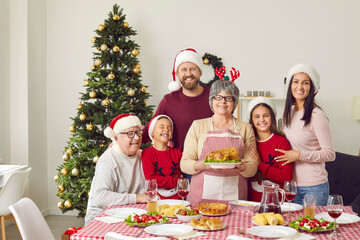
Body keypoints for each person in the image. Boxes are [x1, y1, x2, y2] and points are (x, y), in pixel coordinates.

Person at [180, 79, 259, 204]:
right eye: (218, 97)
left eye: (228, 98)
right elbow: (184, 164)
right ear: (212, 100)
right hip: (200, 199)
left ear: (235, 102)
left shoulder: (245, 128)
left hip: (236, 199)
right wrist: (201, 165)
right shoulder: (198, 125)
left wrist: (243, 167)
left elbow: (252, 167)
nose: (223, 101)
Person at [275, 63, 335, 206]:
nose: (300, 87)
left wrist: (299, 155)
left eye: (305, 83)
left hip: (314, 187)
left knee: (311, 227)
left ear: (312, 87)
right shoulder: (289, 112)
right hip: (291, 186)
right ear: (290, 85)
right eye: (296, 82)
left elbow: (330, 154)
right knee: (293, 227)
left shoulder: (317, 115)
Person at [142, 48, 213, 152]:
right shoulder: (169, 100)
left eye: (193, 69)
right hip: (178, 163)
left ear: (200, 72)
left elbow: (228, 124)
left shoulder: (214, 97)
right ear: (178, 74)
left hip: (209, 161)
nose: (188, 74)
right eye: (183, 70)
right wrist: (121, 142)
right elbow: (150, 128)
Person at [85, 114, 147, 225]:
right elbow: (100, 197)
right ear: (116, 138)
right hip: (103, 217)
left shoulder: (144, 156)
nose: (137, 138)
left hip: (133, 215)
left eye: (138, 132)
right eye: (130, 134)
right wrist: (137, 198)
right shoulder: (108, 160)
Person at [247, 97, 293, 202]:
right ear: (252, 120)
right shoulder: (248, 143)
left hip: (277, 202)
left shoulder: (281, 142)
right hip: (251, 202)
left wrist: (260, 164)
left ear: (272, 117)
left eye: (266, 115)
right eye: (257, 117)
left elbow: (286, 176)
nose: (262, 120)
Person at [142, 115, 182, 199]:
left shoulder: (177, 153)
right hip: (157, 198)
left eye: (169, 128)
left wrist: (178, 180)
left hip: (177, 197)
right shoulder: (147, 153)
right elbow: (151, 179)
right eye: (161, 127)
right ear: (152, 133)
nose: (166, 130)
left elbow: (182, 176)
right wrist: (176, 181)